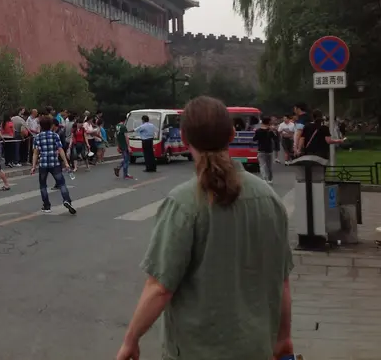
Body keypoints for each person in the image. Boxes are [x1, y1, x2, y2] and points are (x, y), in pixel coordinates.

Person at [115, 96, 294, 360]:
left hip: (195, 349)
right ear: (232, 134)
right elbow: (282, 282)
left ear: (185, 139)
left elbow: (160, 288)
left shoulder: (184, 203)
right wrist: (284, 338)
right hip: (257, 348)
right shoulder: (269, 199)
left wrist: (131, 339)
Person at [31, 115, 76, 215]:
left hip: (43, 164)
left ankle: (46, 206)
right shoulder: (55, 135)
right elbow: (60, 149)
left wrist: (33, 166)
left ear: (41, 126)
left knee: (43, 185)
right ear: (51, 125)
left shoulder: (37, 137)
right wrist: (66, 163)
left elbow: (35, 152)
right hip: (55, 163)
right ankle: (66, 200)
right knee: (62, 183)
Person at [253, 116, 277, 184]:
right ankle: (270, 179)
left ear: (262, 122)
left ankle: (264, 178)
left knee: (262, 165)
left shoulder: (258, 131)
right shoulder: (270, 131)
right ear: (269, 122)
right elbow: (276, 138)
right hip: (269, 150)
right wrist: (273, 131)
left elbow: (254, 139)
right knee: (269, 166)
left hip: (261, 150)